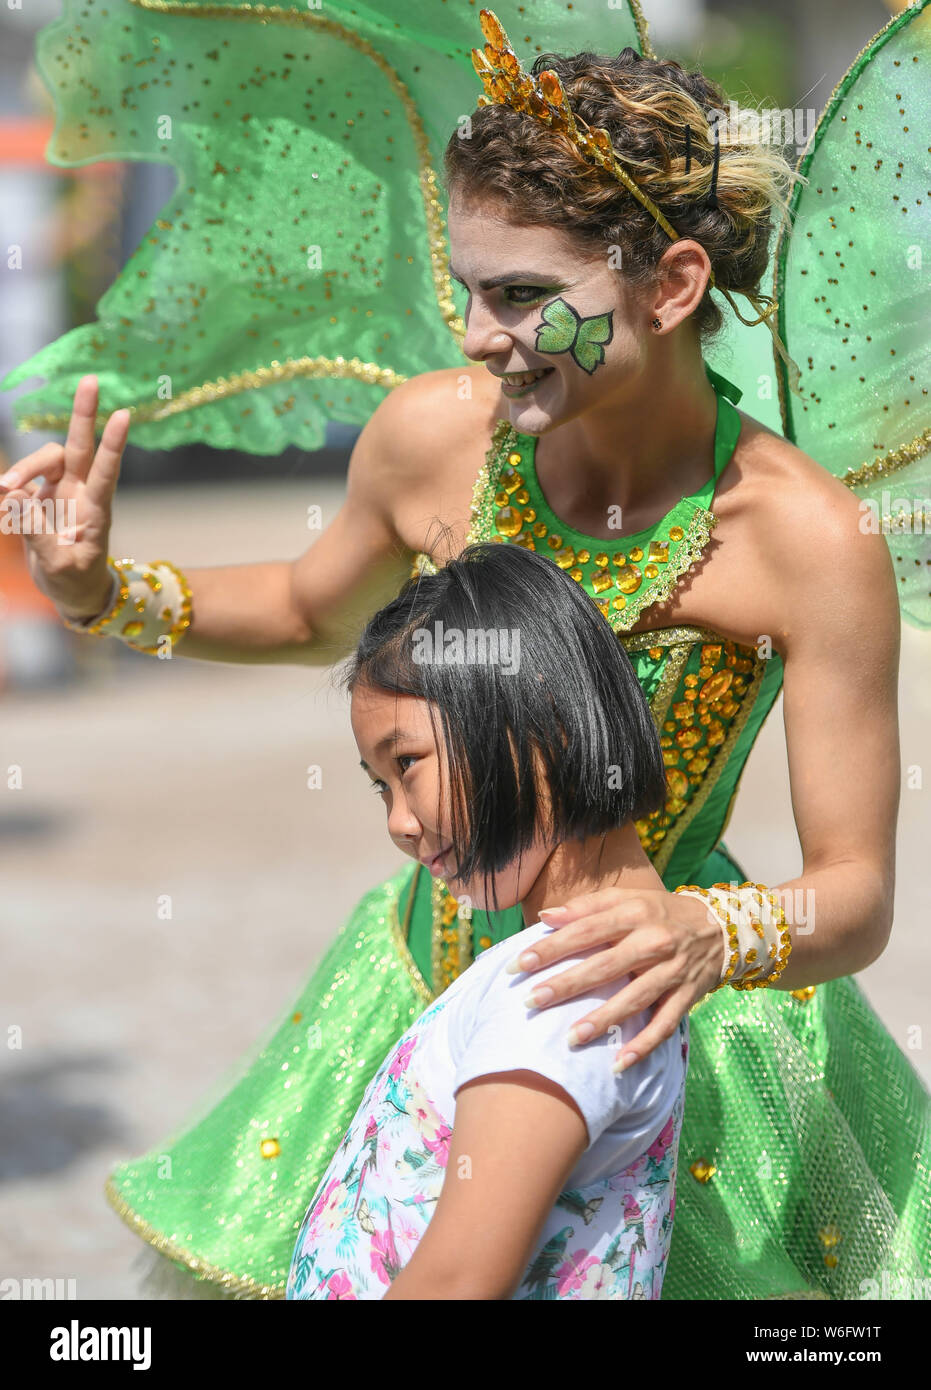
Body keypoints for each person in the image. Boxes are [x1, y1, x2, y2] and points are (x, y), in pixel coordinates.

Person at [1, 5, 928, 1299]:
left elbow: (855, 896)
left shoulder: (806, 541)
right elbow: (306, 610)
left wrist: (703, 932)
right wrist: (105, 590)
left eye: (523, 297)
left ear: (668, 285)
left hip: (652, 1015)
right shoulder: (433, 436)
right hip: (417, 1000)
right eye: (464, 286)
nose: (479, 334)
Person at [289, 540, 688, 1300]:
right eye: (379, 788)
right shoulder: (576, 969)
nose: (399, 824)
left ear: (545, 723)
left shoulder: (565, 988)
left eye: (406, 764)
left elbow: (461, 1278)